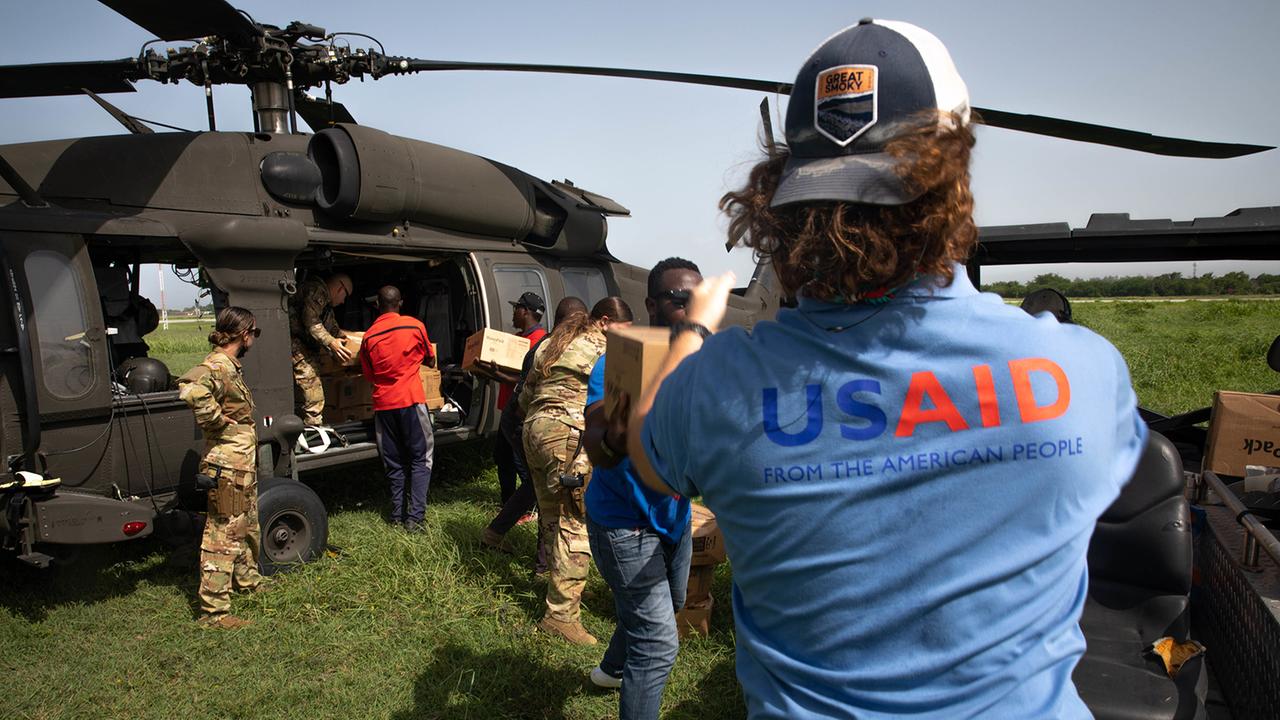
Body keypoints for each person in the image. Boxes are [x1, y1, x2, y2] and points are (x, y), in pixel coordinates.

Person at [624, 20, 1147, 719]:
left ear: (783, 200)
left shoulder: (713, 386)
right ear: (953, 179)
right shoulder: (1084, 371)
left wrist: (691, 329)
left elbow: (649, 460)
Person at [577, 259, 702, 717]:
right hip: (624, 524)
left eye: (698, 300)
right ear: (651, 304)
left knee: (669, 605)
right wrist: (616, 427)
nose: (691, 310)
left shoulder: (695, 367)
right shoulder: (616, 365)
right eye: (678, 300)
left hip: (674, 517)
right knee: (657, 645)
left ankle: (611, 669)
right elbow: (596, 446)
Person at [520, 296, 634, 645]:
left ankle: (554, 587)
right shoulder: (604, 347)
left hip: (535, 429)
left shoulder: (552, 343)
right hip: (569, 433)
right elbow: (618, 405)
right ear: (603, 322)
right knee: (576, 522)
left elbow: (525, 395)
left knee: (553, 517)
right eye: (622, 330)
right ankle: (561, 616)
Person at [177, 306, 265, 629]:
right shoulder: (217, 365)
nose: (254, 338)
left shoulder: (230, 366)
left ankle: (248, 581)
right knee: (224, 532)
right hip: (227, 465)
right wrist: (216, 421)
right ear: (244, 334)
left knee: (246, 524)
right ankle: (214, 613)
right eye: (254, 332)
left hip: (240, 463)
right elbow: (190, 388)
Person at [482, 296, 588, 559]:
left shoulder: (545, 344)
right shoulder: (556, 347)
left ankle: (495, 534)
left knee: (537, 485)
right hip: (527, 420)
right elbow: (527, 392)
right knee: (548, 488)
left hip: (522, 419)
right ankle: (544, 563)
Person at [361, 285, 436, 532]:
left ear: (377, 305)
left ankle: (396, 515)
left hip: (383, 406)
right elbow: (430, 357)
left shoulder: (368, 336)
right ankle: (415, 518)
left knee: (393, 462)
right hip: (411, 401)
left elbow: (369, 374)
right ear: (400, 303)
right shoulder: (414, 326)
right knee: (420, 458)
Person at [486, 292, 550, 507]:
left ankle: (529, 506)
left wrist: (496, 374)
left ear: (526, 311)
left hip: (520, 413)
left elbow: (525, 379)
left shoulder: (539, 342)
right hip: (508, 410)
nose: (513, 313)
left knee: (519, 462)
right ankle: (508, 503)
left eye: (516, 308)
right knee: (502, 458)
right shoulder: (519, 338)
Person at [288, 272, 353, 426]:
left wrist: (345, 340)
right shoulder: (316, 290)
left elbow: (331, 327)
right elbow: (311, 322)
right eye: (345, 295)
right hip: (296, 346)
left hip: (302, 347)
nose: (343, 301)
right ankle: (314, 428)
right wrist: (332, 342)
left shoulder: (325, 304)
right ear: (339, 288)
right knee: (313, 391)